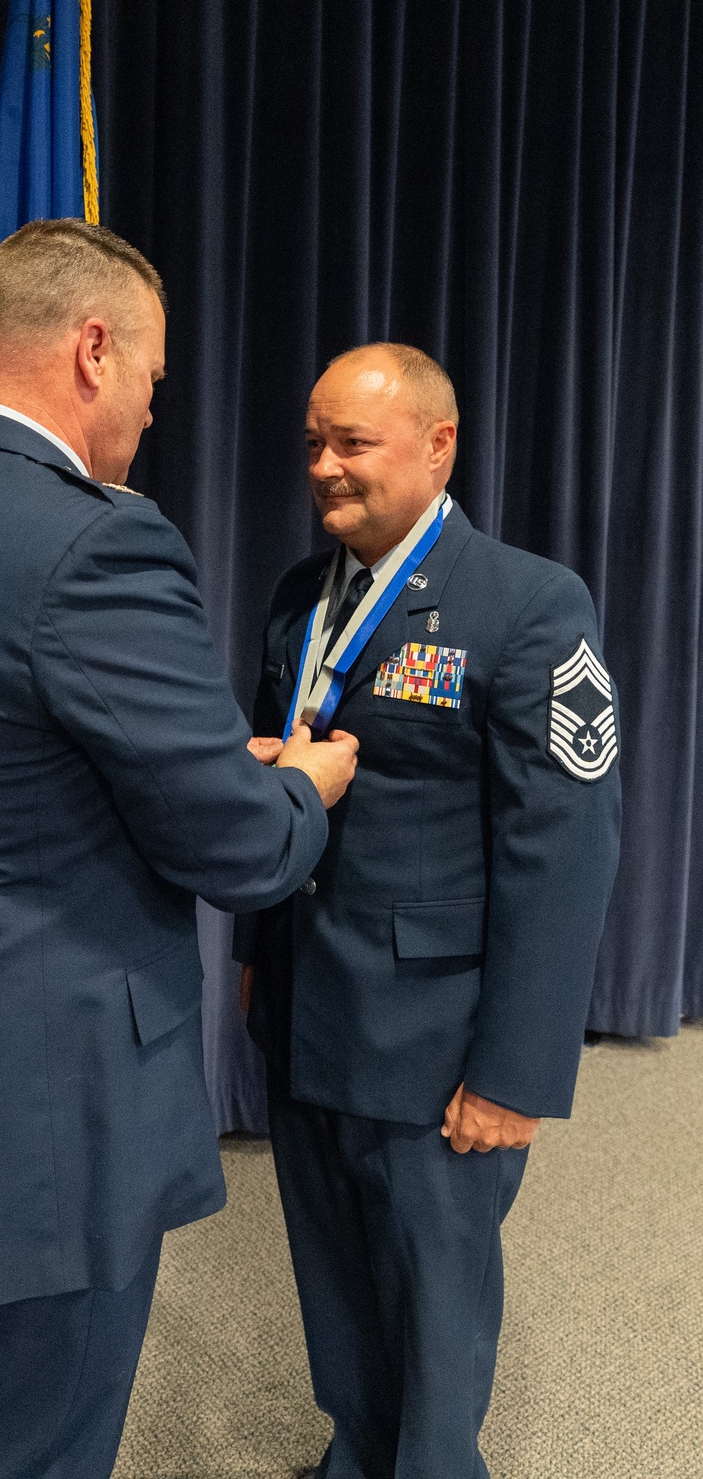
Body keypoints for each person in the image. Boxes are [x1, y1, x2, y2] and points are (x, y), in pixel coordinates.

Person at [0, 218, 358, 1479]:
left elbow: (13, 767)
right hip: (59, 1104)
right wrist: (308, 789)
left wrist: (212, 765)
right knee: (36, 1439)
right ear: (93, 348)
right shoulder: (95, 540)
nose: (152, 410)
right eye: (154, 380)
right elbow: (236, 853)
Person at [237, 343, 621, 1479]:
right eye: (312, 442)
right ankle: (356, 1453)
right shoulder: (300, 597)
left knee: (434, 1301)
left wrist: (516, 1069)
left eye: (350, 443)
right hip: (309, 1008)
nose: (323, 467)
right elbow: (284, 793)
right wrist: (265, 955)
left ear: (437, 444)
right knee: (335, 1276)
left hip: (438, 1040)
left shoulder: (530, 603)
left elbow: (568, 852)